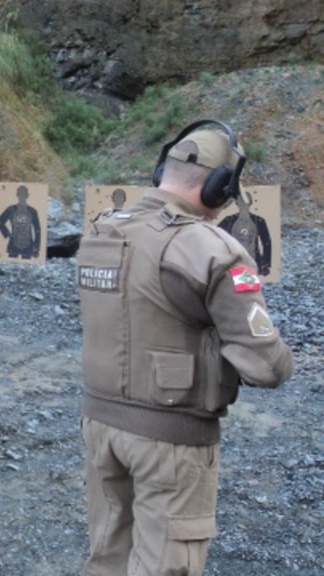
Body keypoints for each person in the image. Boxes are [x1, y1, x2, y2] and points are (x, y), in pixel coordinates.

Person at [77, 121, 293, 576]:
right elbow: (267, 366)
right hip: (171, 439)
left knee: (109, 559)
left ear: (162, 171)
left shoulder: (102, 230)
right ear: (220, 187)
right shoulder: (212, 248)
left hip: (100, 426)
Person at [218, 187, 272, 275]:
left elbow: (266, 242)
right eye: (241, 200)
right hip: (234, 261)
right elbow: (216, 236)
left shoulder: (259, 220)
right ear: (237, 203)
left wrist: (266, 263)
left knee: (247, 286)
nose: (243, 203)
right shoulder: (229, 220)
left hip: (252, 260)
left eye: (245, 200)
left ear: (250, 203)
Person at [0, 184, 41, 259]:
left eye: (23, 195)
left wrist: (36, 247)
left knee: (27, 267)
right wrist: (7, 234)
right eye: (20, 195)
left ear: (27, 195)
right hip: (14, 244)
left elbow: (37, 230)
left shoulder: (32, 211)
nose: (22, 197)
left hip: (28, 245)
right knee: (10, 265)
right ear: (17, 195)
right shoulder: (11, 209)